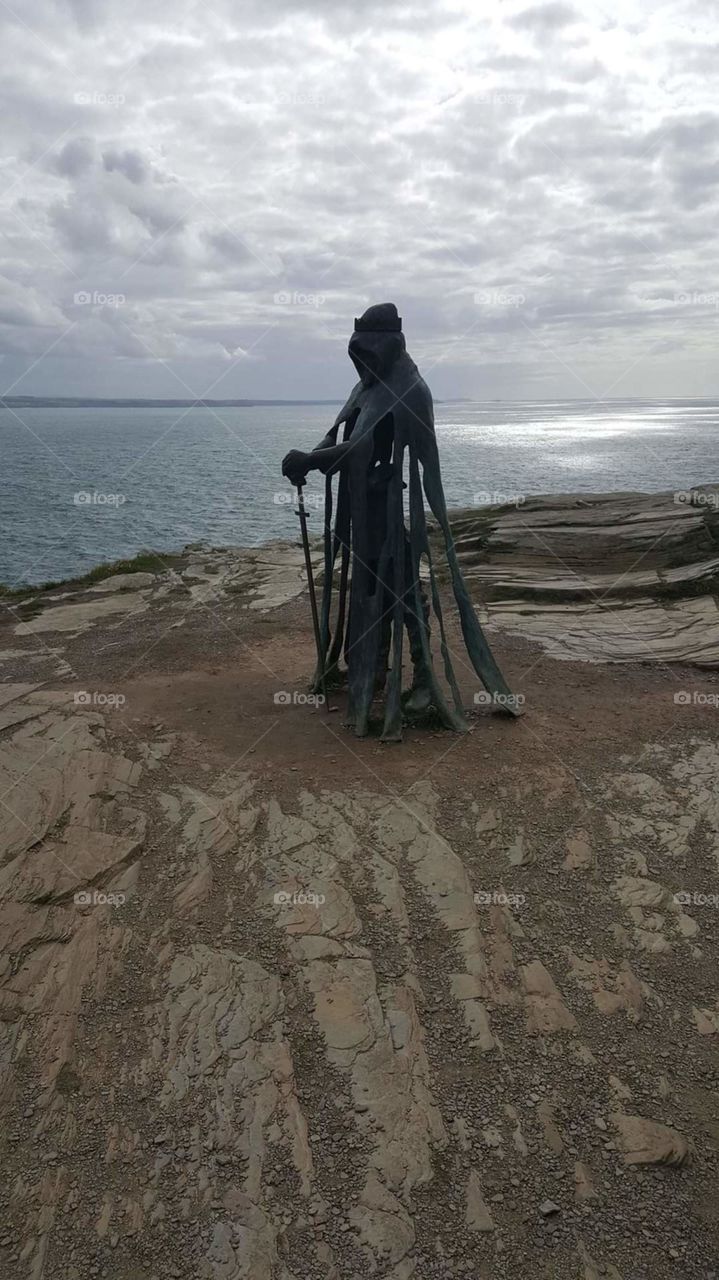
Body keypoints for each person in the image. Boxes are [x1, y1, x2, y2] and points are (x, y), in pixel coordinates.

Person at [282, 302, 519, 741]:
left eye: (367, 352)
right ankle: (369, 670)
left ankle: (424, 681)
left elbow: (359, 449)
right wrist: (309, 456)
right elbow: (344, 434)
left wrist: (312, 460)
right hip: (362, 509)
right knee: (370, 587)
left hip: (390, 510)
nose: (362, 362)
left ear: (387, 345)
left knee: (403, 588)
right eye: (357, 354)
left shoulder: (410, 388)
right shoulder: (367, 387)